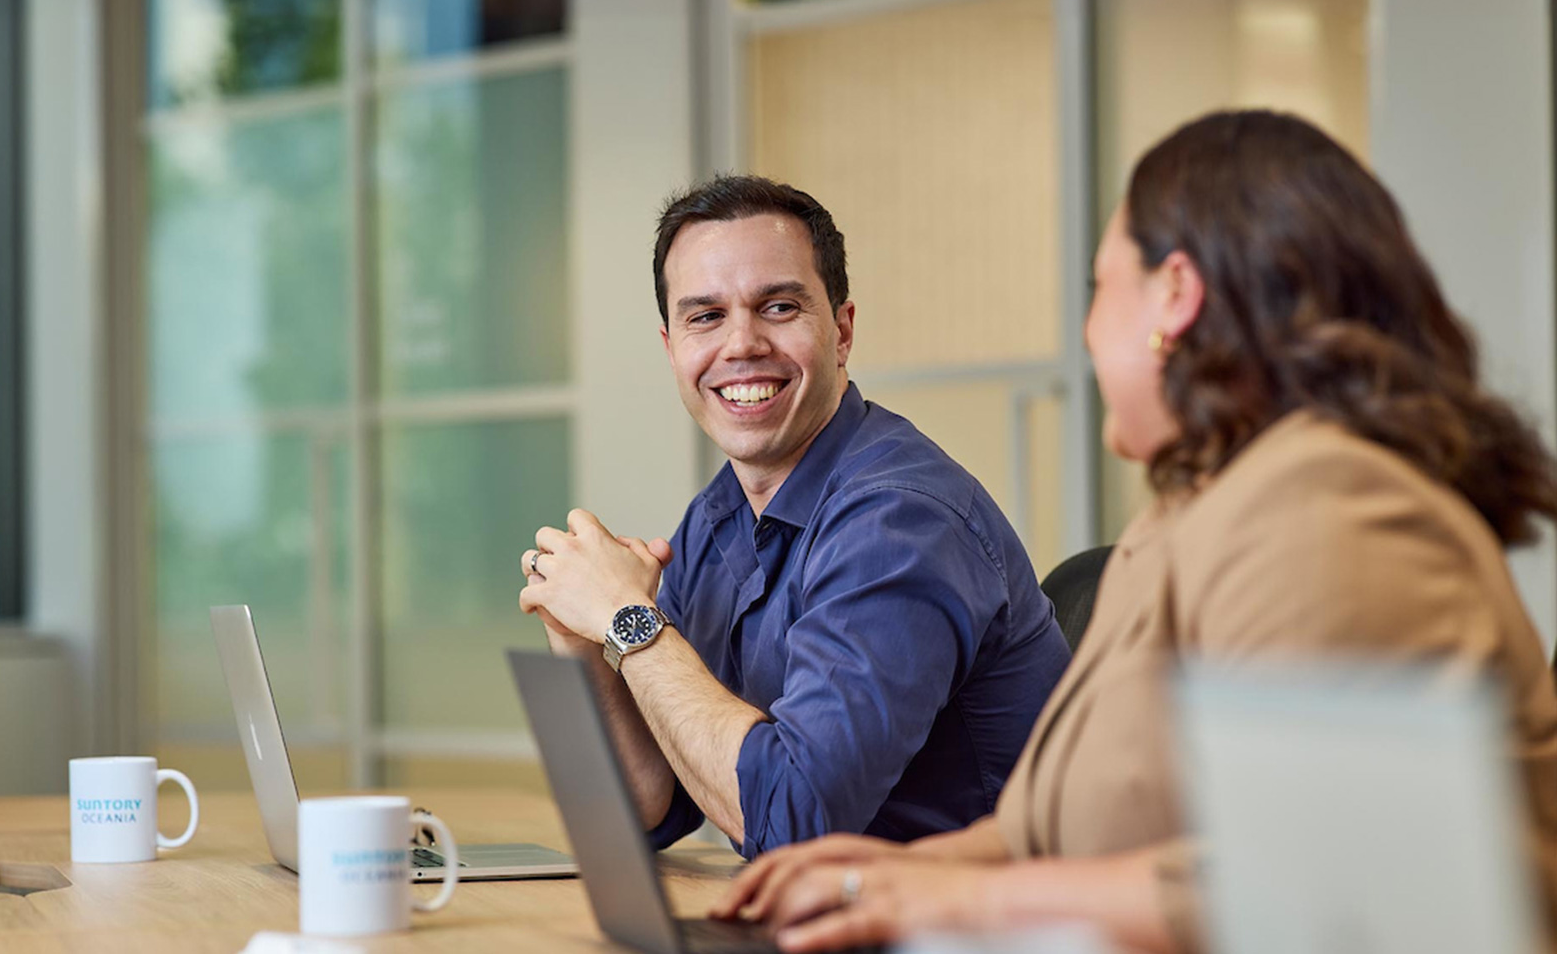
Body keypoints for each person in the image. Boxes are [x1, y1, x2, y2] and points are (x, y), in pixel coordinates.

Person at [712, 110, 1557, 953]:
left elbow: (1311, 891)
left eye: (1099, 288)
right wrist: (886, 874)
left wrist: (950, 903)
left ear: (1176, 296)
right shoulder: (1190, 514)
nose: (1087, 332)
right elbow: (1041, 831)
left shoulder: (1331, 507)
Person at [516, 175, 1072, 857]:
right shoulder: (719, 518)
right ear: (671, 349)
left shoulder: (898, 522)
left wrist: (629, 620)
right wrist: (582, 636)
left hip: (973, 926)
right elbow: (648, 809)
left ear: (840, 331)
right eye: (705, 316)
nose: (741, 343)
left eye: (778, 306)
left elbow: (792, 822)